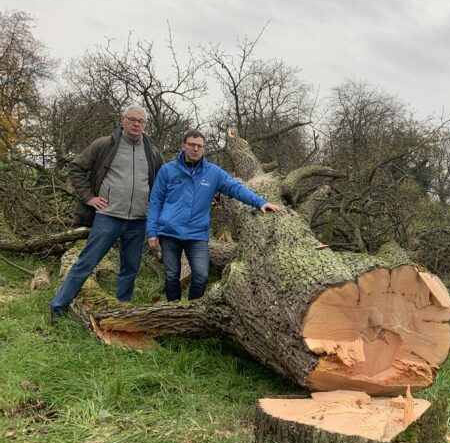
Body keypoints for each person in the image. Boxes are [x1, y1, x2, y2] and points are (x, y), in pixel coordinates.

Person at [50, 105, 164, 321]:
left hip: (139, 220)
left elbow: (161, 180)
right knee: (87, 262)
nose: (136, 124)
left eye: (140, 121)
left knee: (130, 268)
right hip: (108, 216)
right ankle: (57, 307)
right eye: (132, 119)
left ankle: (120, 311)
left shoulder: (152, 151)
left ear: (145, 125)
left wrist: (154, 203)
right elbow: (76, 168)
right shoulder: (105, 144)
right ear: (122, 120)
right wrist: (89, 198)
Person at [146, 129, 282, 302]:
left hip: (197, 233)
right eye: (191, 145)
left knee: (201, 276)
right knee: (172, 277)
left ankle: (192, 312)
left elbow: (236, 188)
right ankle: (175, 312)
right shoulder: (167, 171)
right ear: (183, 146)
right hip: (169, 232)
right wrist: (152, 232)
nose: (195, 149)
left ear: (203, 149)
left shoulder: (213, 173)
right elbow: (155, 202)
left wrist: (260, 202)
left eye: (199, 146)